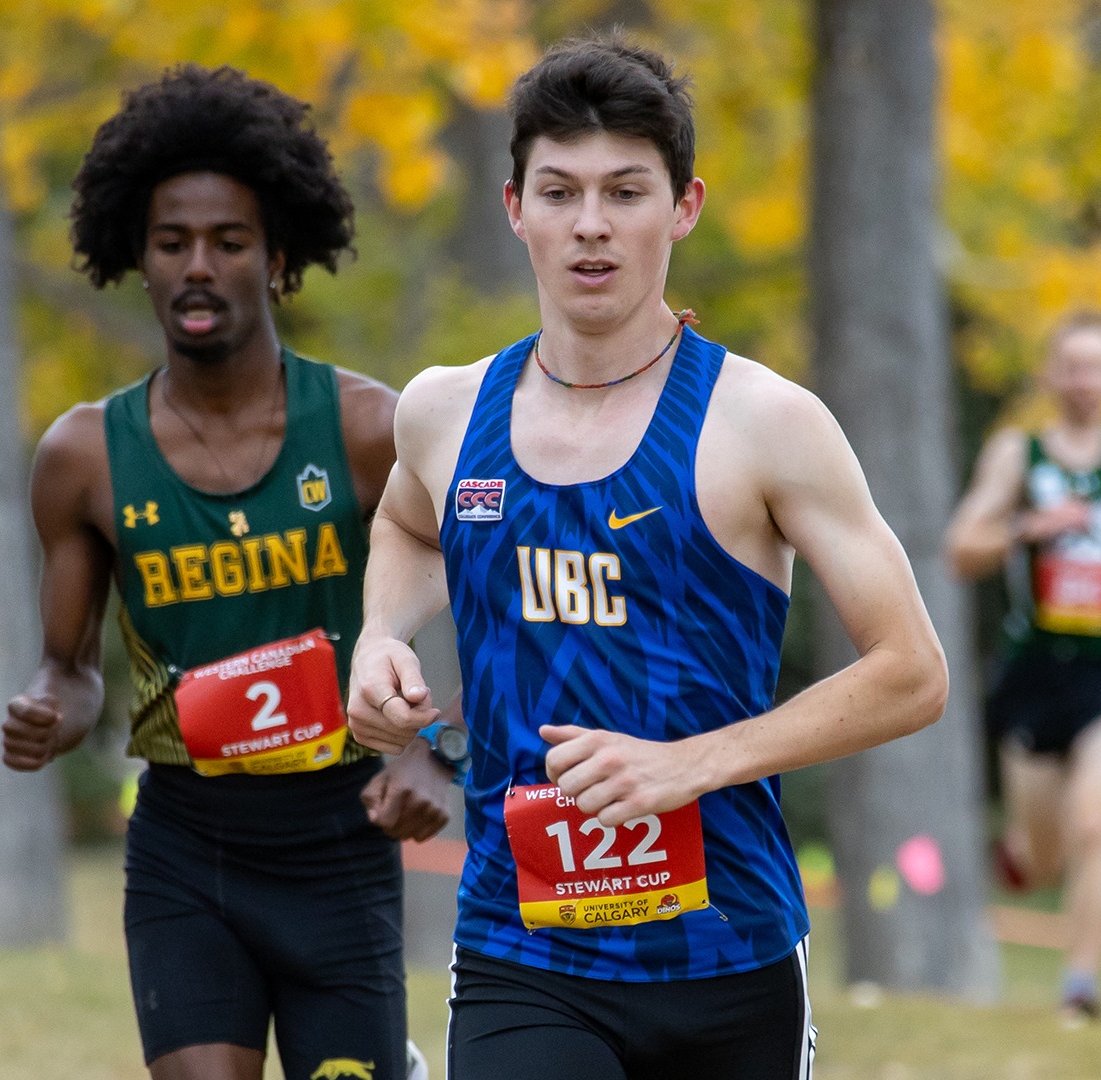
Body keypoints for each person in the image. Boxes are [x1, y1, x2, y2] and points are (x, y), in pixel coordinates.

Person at [343, 38, 949, 1080]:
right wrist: (379, 637)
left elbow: (913, 673)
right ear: (515, 208)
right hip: (521, 951)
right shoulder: (444, 411)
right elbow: (405, 527)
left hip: (729, 954)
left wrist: (689, 765)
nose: (591, 224)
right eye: (560, 192)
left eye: (626, 192)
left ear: (684, 207)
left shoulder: (765, 423)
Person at [0, 66, 459, 1080]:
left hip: (340, 839)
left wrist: (437, 754)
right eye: (172, 244)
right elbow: (69, 670)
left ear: (279, 258)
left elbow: (490, 612)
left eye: (229, 242)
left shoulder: (369, 430)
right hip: (186, 845)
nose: (198, 267)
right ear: (139, 258)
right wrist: (48, 706)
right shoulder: (84, 457)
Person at [949, 311, 1101, 1022]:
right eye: (1072, 366)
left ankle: (1080, 986)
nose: (1085, 381)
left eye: (1097, 368)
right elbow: (962, 548)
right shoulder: (1018, 454)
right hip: (1034, 670)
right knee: (1046, 857)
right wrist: (1029, 527)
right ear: (1051, 375)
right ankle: (1025, 849)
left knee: (1094, 824)